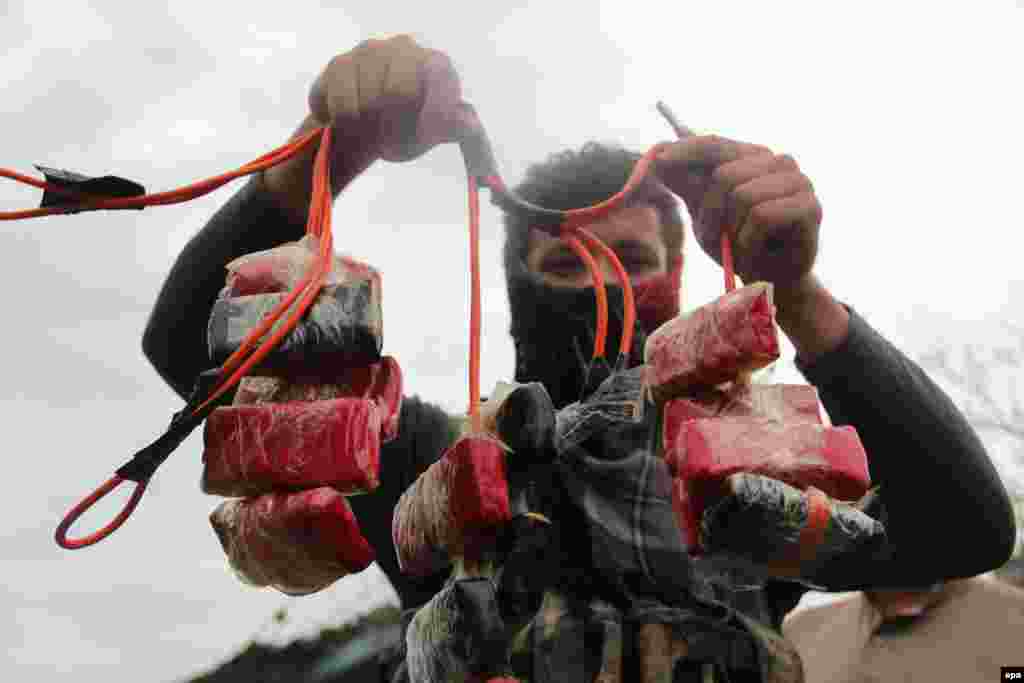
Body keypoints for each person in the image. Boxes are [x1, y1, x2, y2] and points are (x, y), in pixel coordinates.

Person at [142, 36, 1017, 682]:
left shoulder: (743, 485)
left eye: (634, 263)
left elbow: (965, 528)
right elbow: (188, 343)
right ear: (516, 292)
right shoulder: (428, 465)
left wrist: (797, 295)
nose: (601, 292)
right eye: (563, 265)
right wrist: (327, 153)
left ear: (682, 285)